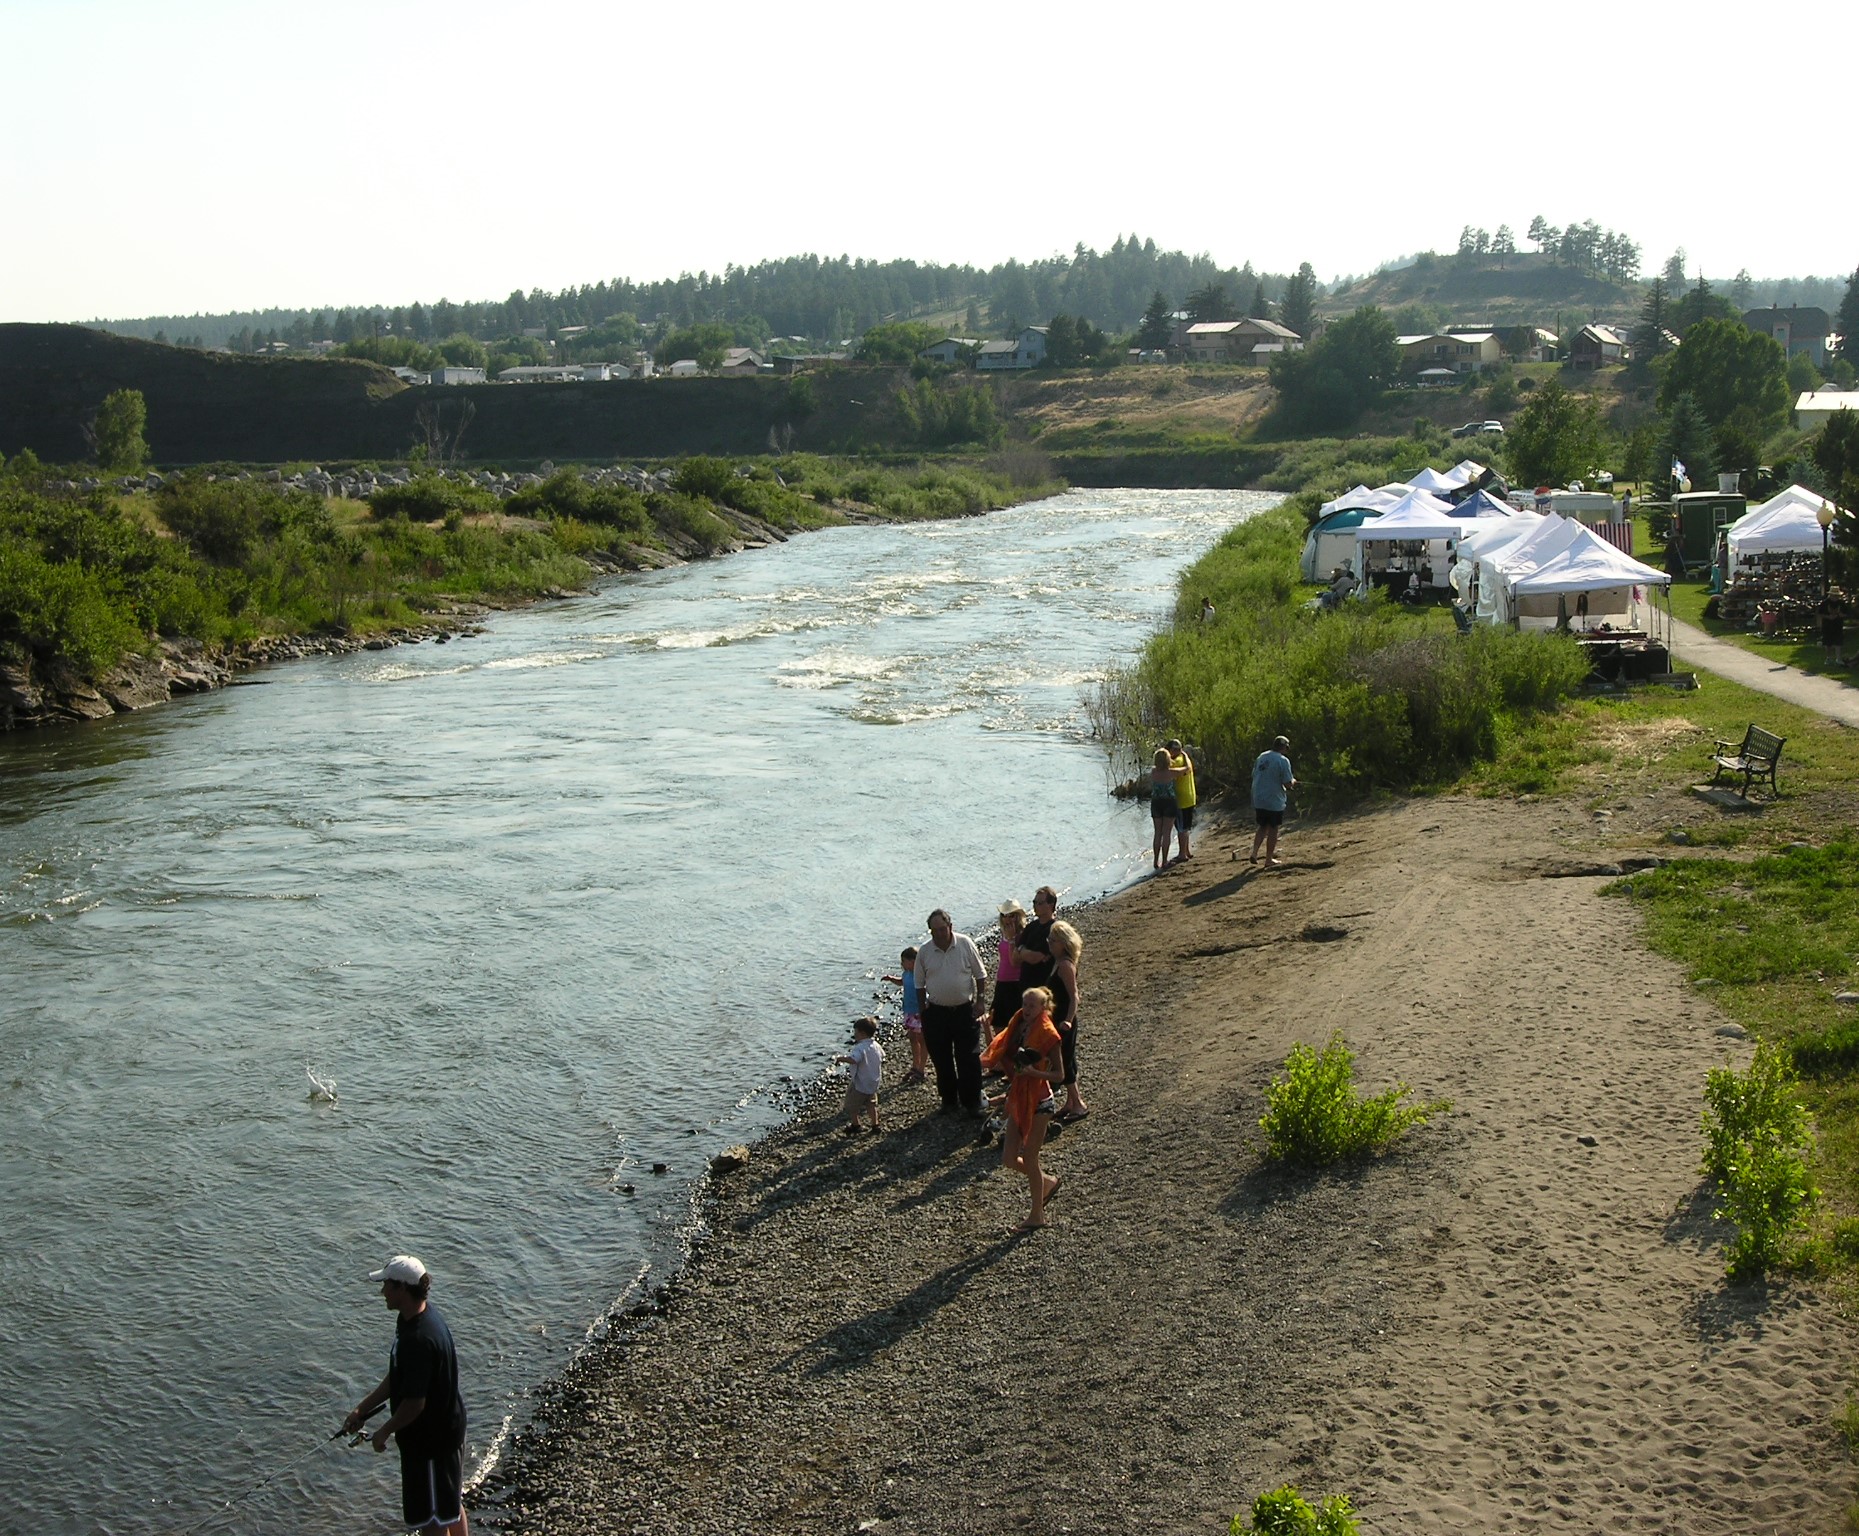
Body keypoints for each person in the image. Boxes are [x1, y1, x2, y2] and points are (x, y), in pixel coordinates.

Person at [343, 1255, 469, 1536]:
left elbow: (415, 1404)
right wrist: (362, 1410)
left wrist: (384, 1431)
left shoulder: (418, 1340)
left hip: (431, 1443)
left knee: (432, 1518)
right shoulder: (415, 1319)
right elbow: (398, 1376)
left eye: (386, 1285)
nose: (382, 1292)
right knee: (448, 1503)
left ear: (402, 1288)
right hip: (446, 1431)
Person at [980, 985, 1064, 1232]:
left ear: (1043, 1008)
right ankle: (1046, 1182)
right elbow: (999, 1049)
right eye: (1025, 1004)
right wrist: (986, 1029)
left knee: (1030, 1157)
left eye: (1032, 1005)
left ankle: (1037, 1215)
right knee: (1008, 1158)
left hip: (1041, 1101)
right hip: (1018, 1096)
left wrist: (1033, 1072)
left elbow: (1059, 1075)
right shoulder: (1018, 1025)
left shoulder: (1048, 1034)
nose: (1026, 1009)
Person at [913, 908, 988, 1117]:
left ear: (950, 926)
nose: (939, 934)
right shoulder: (925, 952)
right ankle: (949, 1100)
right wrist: (922, 1010)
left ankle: (971, 1102)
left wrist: (980, 1001)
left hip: (964, 1010)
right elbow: (918, 983)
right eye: (934, 930)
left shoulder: (965, 944)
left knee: (969, 1058)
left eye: (942, 929)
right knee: (941, 1059)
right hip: (936, 1013)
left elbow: (980, 974)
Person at [1048, 920, 1088, 1123]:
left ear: (1063, 943)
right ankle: (1071, 1102)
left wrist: (1068, 1021)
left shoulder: (1065, 965)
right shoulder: (1057, 962)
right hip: (1057, 1018)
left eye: (1053, 940)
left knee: (1065, 1060)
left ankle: (1078, 1104)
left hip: (1064, 1019)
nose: (1049, 943)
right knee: (1067, 1059)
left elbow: (1074, 997)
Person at [1249, 735, 1297, 868]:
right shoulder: (1283, 760)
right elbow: (1287, 783)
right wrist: (1293, 782)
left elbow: (1254, 774)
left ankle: (1254, 853)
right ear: (1285, 747)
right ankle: (1269, 859)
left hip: (1259, 798)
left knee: (1262, 826)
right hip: (1273, 800)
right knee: (1273, 829)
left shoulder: (1262, 756)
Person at [884, 946, 927, 1084]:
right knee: (912, 1038)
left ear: (913, 961)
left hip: (920, 1011)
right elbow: (902, 982)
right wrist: (891, 979)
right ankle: (915, 1065)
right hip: (909, 1011)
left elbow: (930, 990)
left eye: (903, 961)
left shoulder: (921, 975)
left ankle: (921, 1069)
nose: (901, 964)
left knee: (922, 1039)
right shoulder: (906, 974)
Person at [834, 1016, 883, 1135]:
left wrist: (841, 1059)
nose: (854, 1034)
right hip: (873, 1081)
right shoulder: (876, 1045)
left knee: (852, 1105)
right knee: (871, 1104)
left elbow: (854, 1060)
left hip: (860, 1082)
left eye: (855, 1032)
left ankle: (856, 1124)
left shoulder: (860, 1048)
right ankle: (875, 1124)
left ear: (862, 1033)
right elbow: (882, 1055)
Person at [990, 900, 1028, 1038]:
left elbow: (1014, 962)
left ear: (1018, 916)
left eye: (1011, 915)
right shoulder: (1004, 933)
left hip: (1016, 983)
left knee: (1016, 1024)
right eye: (1004, 915)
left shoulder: (1023, 935)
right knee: (998, 1022)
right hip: (1002, 981)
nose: (1007, 919)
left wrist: (1012, 940)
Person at [1014, 886, 1058, 994]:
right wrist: (1024, 953)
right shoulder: (1031, 927)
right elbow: (1015, 959)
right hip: (1024, 986)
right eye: (1034, 902)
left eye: (1040, 903)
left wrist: (1021, 950)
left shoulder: (1054, 930)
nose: (1035, 906)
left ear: (1050, 905)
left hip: (1043, 987)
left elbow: (1034, 958)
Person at [1149, 747, 1185, 870]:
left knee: (1157, 833)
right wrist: (1184, 756)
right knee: (1166, 833)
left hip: (1156, 803)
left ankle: (1155, 861)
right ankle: (1164, 861)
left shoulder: (1153, 772)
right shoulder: (1171, 772)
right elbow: (1186, 769)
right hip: (1169, 803)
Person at [1166, 739, 1198, 861]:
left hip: (1181, 800)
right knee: (1186, 826)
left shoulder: (1175, 763)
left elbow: (1166, 772)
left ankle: (1182, 854)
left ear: (1172, 750)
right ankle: (1186, 851)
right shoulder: (1185, 758)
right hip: (1190, 797)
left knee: (1181, 828)